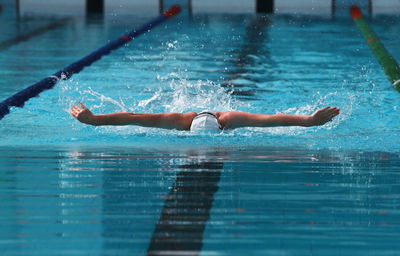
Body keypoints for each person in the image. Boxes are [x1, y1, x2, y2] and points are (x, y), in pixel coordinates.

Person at [70, 102, 339, 131]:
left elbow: (135, 117)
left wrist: (96, 120)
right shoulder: (180, 120)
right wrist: (308, 121)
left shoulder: (229, 118)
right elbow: (134, 116)